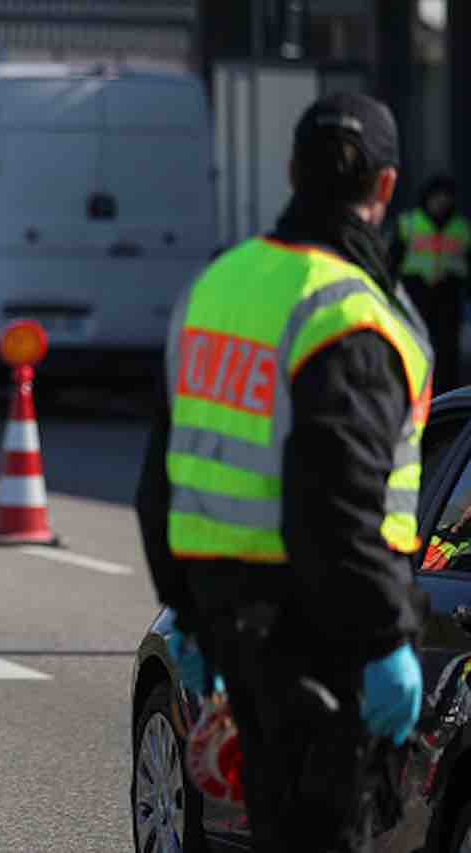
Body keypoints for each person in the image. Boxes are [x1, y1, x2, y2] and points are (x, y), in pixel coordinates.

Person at [136, 92, 431, 851]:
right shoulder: (351, 314)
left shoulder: (216, 288)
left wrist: (188, 612)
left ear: (293, 171)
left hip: (233, 631)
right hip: (322, 635)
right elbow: (336, 505)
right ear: (388, 186)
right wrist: (387, 640)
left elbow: (159, 481)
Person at [391, 173, 471, 394]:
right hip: (417, 296)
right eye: (438, 197)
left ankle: (444, 395)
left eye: (446, 197)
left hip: (449, 297)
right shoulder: (409, 224)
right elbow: (392, 261)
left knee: (447, 354)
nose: (442, 202)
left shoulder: (461, 228)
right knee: (415, 347)